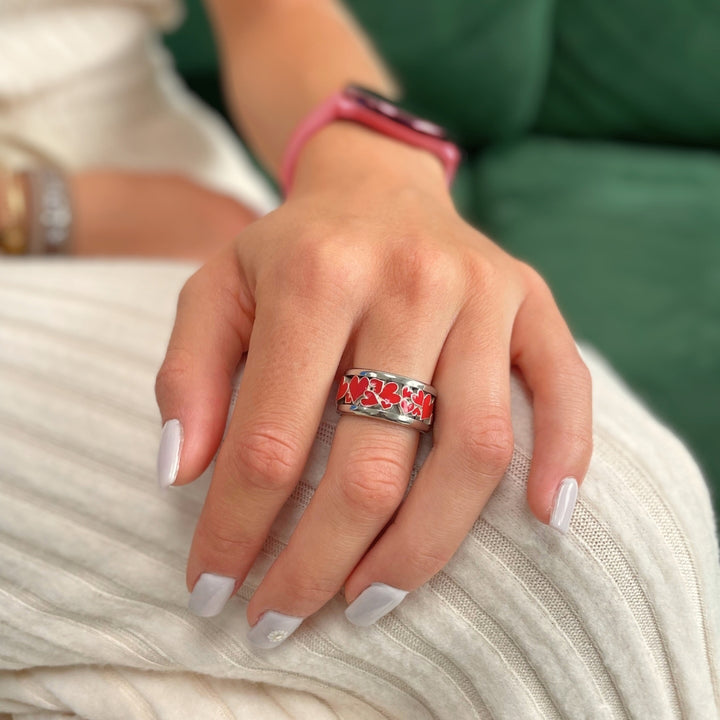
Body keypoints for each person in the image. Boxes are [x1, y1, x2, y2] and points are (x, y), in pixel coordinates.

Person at [0, 0, 718, 718]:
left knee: (582, 504)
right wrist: (47, 209)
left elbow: (273, 12)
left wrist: (377, 170)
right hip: (79, 249)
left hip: (203, 203)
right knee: (567, 567)